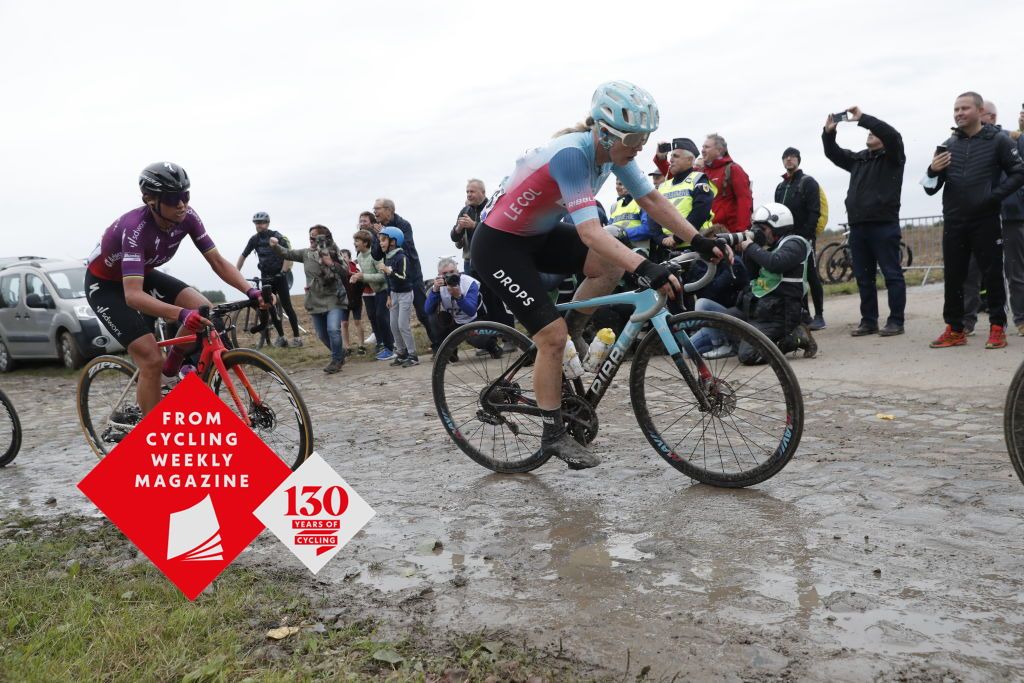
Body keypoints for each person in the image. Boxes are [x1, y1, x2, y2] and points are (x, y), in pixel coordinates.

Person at [470, 81, 727, 470]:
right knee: (550, 337)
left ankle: (573, 330)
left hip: (538, 235)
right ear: (606, 133)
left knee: (604, 267)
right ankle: (553, 433)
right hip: (498, 245)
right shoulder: (573, 154)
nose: (641, 146)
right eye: (635, 138)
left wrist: (698, 239)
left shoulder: (615, 153)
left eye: (645, 137)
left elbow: (652, 199)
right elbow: (591, 232)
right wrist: (645, 267)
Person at [85, 162, 265, 415]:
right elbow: (133, 295)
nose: (181, 204)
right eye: (172, 198)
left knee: (206, 311)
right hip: (105, 287)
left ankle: (172, 369)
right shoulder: (135, 229)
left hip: (143, 274)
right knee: (150, 359)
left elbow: (218, 262)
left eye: (185, 195)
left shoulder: (188, 217)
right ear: (150, 200)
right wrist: (181, 314)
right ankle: (154, 436)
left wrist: (250, 291)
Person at [924, 91, 1024, 349]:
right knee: (954, 276)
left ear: (979, 112)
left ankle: (997, 328)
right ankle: (955, 329)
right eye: (956, 109)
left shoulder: (999, 141)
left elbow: (1018, 172)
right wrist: (932, 170)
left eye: (964, 108)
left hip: (986, 219)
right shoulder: (948, 144)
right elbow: (930, 187)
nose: (958, 113)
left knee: (992, 275)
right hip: (955, 220)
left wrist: (994, 197)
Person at [823, 107, 907, 336]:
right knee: (863, 277)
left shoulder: (893, 158)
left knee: (891, 274)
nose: (869, 133)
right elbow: (833, 153)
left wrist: (864, 119)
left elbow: (893, 136)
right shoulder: (859, 159)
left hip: (884, 225)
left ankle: (896, 321)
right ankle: (869, 321)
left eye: (874, 131)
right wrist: (829, 133)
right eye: (868, 131)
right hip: (858, 227)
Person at [734, 204, 817, 364]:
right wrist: (747, 250)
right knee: (724, 322)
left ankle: (795, 337)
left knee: (748, 356)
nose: (758, 233)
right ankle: (760, 339)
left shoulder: (796, 244)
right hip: (761, 308)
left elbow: (776, 263)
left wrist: (751, 246)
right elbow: (751, 275)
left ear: (778, 227)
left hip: (782, 313)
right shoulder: (769, 247)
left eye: (762, 229)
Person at [269, 226, 349, 373]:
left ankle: (336, 360)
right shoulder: (305, 253)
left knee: (333, 329)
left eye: (316, 237)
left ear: (326, 238)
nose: (312, 240)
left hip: (334, 297)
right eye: (310, 236)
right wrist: (275, 245)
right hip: (314, 299)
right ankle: (339, 352)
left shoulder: (333, 252)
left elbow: (345, 272)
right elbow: (287, 253)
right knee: (322, 334)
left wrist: (330, 263)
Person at [370, 198, 439, 353]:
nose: (375, 212)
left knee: (423, 312)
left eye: (377, 208)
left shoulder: (403, 225)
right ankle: (403, 352)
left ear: (389, 210)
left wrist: (386, 234)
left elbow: (405, 247)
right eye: (374, 209)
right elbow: (375, 255)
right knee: (397, 320)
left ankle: (439, 346)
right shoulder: (379, 229)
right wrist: (379, 235)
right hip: (394, 281)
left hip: (412, 275)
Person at [450, 179, 516, 336]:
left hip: (493, 261)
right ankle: (491, 338)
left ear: (482, 192)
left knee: (499, 299)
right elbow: (454, 237)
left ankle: (509, 337)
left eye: (472, 191)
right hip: (472, 264)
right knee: (483, 302)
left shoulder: (492, 206)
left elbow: (497, 229)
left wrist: (474, 225)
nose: (469, 194)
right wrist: (459, 227)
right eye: (467, 191)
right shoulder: (465, 210)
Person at [775, 147, 826, 331]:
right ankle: (804, 314)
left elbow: (815, 211)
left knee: (811, 275)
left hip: (805, 239)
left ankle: (819, 316)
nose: (789, 160)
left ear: (798, 160)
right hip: (786, 239)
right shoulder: (780, 187)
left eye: (793, 157)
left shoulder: (808, 182)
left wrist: (806, 235)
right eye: (786, 157)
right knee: (794, 278)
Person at [641, 138, 716, 260]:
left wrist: (677, 238)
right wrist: (661, 239)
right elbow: (652, 215)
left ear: (690, 160)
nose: (671, 160)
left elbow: (700, 213)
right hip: (666, 249)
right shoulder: (663, 186)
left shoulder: (698, 179)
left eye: (676, 156)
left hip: (695, 247)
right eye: (671, 156)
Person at [236, 211, 302, 347]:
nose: (259, 225)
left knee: (287, 306)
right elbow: (243, 256)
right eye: (257, 223)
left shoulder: (276, 236)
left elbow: (287, 255)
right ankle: (282, 338)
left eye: (261, 223)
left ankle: (297, 338)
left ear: (267, 223)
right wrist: (236, 272)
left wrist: (283, 272)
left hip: (279, 276)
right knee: (270, 308)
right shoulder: (254, 239)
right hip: (266, 278)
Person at [425, 258, 501, 361]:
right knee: (433, 318)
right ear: (439, 275)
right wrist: (435, 291)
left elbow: (471, 311)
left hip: (474, 320)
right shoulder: (438, 286)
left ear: (458, 271)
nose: (449, 276)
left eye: (452, 272)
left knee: (479, 339)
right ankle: (450, 352)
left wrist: (459, 297)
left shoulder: (469, 283)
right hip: (453, 321)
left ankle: (492, 346)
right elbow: (428, 310)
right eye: (445, 273)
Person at [378, 227, 419, 367]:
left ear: (393, 241)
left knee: (403, 325)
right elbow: (388, 280)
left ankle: (413, 355)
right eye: (380, 240)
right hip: (394, 295)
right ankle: (401, 353)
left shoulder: (402, 257)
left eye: (383, 240)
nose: (381, 243)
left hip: (405, 294)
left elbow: (404, 277)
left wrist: (389, 272)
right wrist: (389, 296)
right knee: (393, 325)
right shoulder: (387, 257)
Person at [352, 228, 394, 360]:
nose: (355, 243)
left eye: (357, 240)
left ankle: (390, 348)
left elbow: (382, 276)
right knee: (378, 317)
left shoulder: (374, 255)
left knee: (381, 317)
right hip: (377, 291)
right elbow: (366, 277)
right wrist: (357, 277)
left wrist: (363, 276)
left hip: (385, 289)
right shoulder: (359, 256)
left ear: (365, 243)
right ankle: (389, 346)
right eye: (354, 240)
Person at [339, 248, 365, 355]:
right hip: (343, 302)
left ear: (349, 258)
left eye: (344, 257)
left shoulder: (356, 272)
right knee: (344, 323)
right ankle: (347, 347)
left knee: (357, 322)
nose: (343, 259)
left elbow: (362, 285)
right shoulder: (338, 272)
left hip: (356, 301)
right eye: (341, 257)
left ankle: (361, 345)